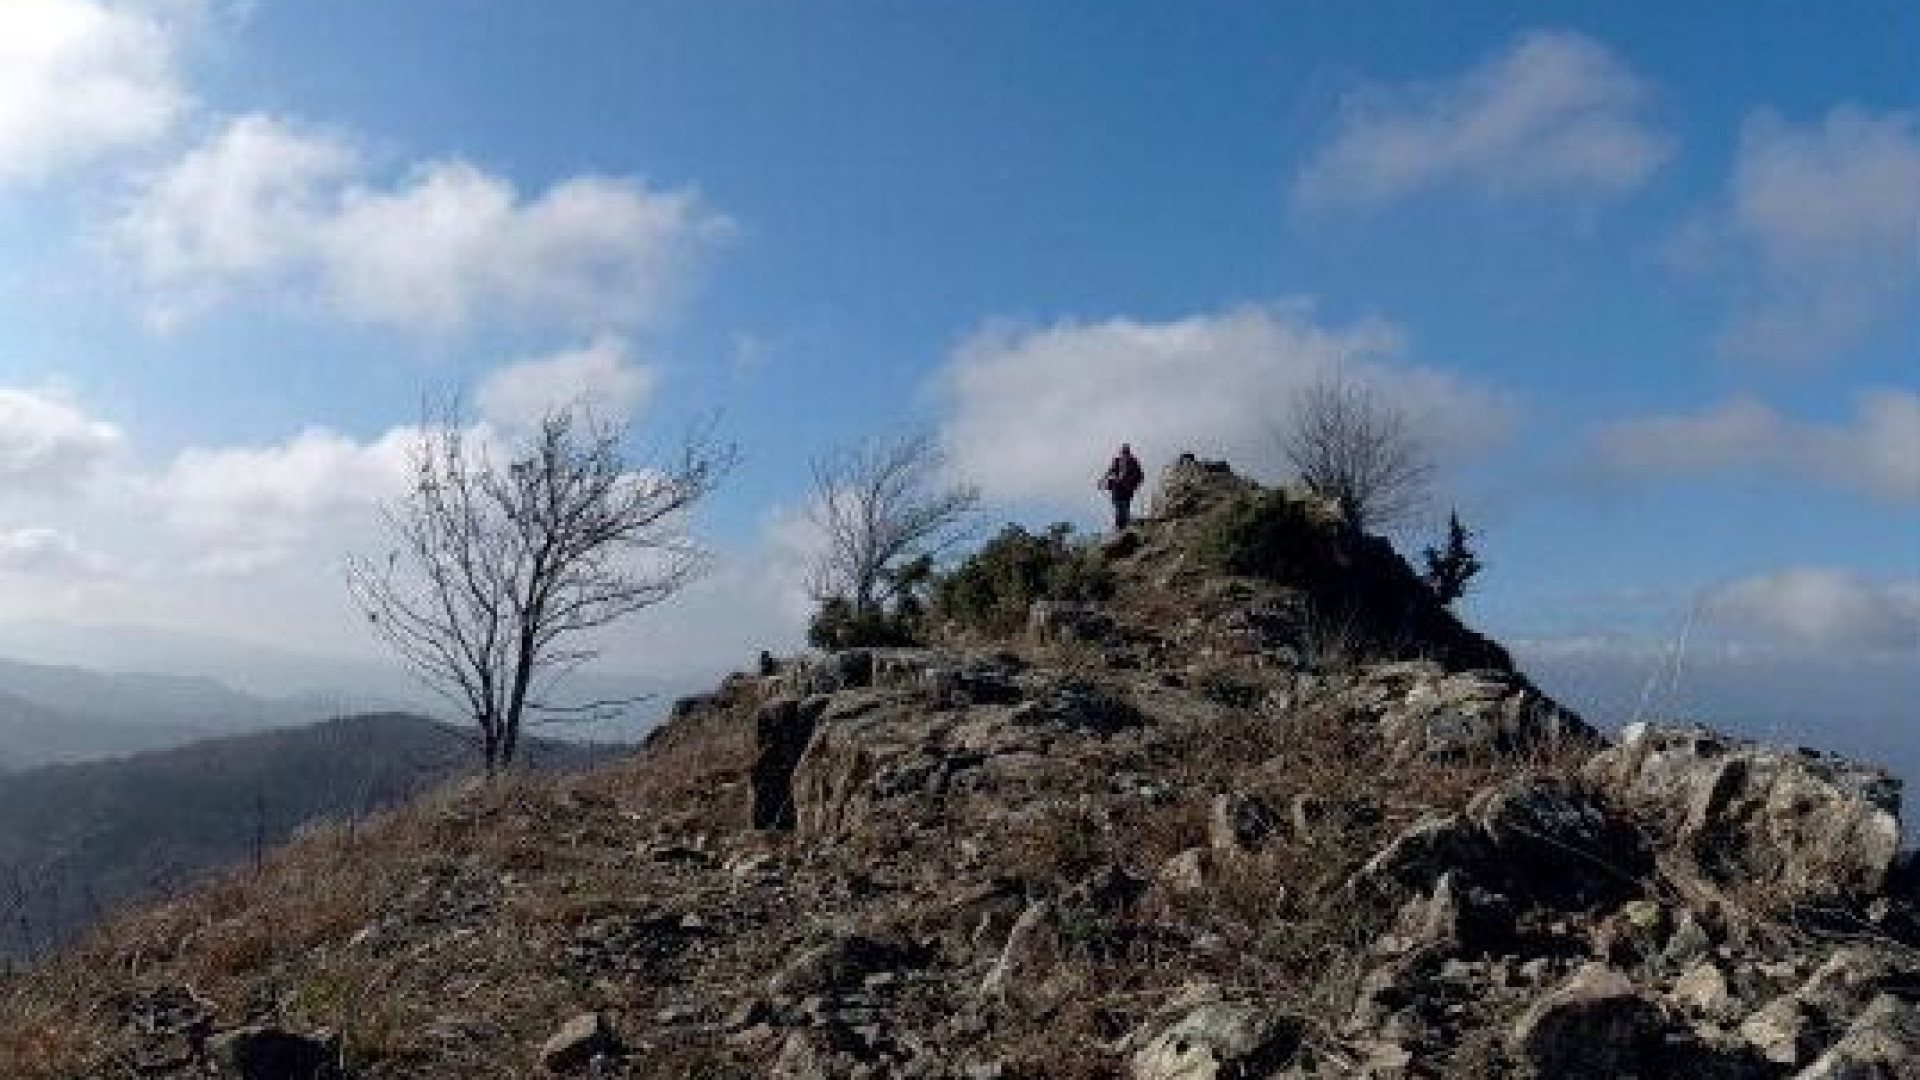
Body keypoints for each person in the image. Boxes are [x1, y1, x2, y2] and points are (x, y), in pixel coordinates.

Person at [1098, 444, 1145, 530]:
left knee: (1123, 506)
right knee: (1120, 506)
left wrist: (1135, 485)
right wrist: (1102, 481)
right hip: (1119, 488)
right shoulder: (1119, 461)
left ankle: (1122, 525)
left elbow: (1140, 476)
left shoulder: (1132, 462)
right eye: (1124, 452)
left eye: (1126, 452)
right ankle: (1121, 524)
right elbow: (1110, 471)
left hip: (1126, 489)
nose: (1125, 455)